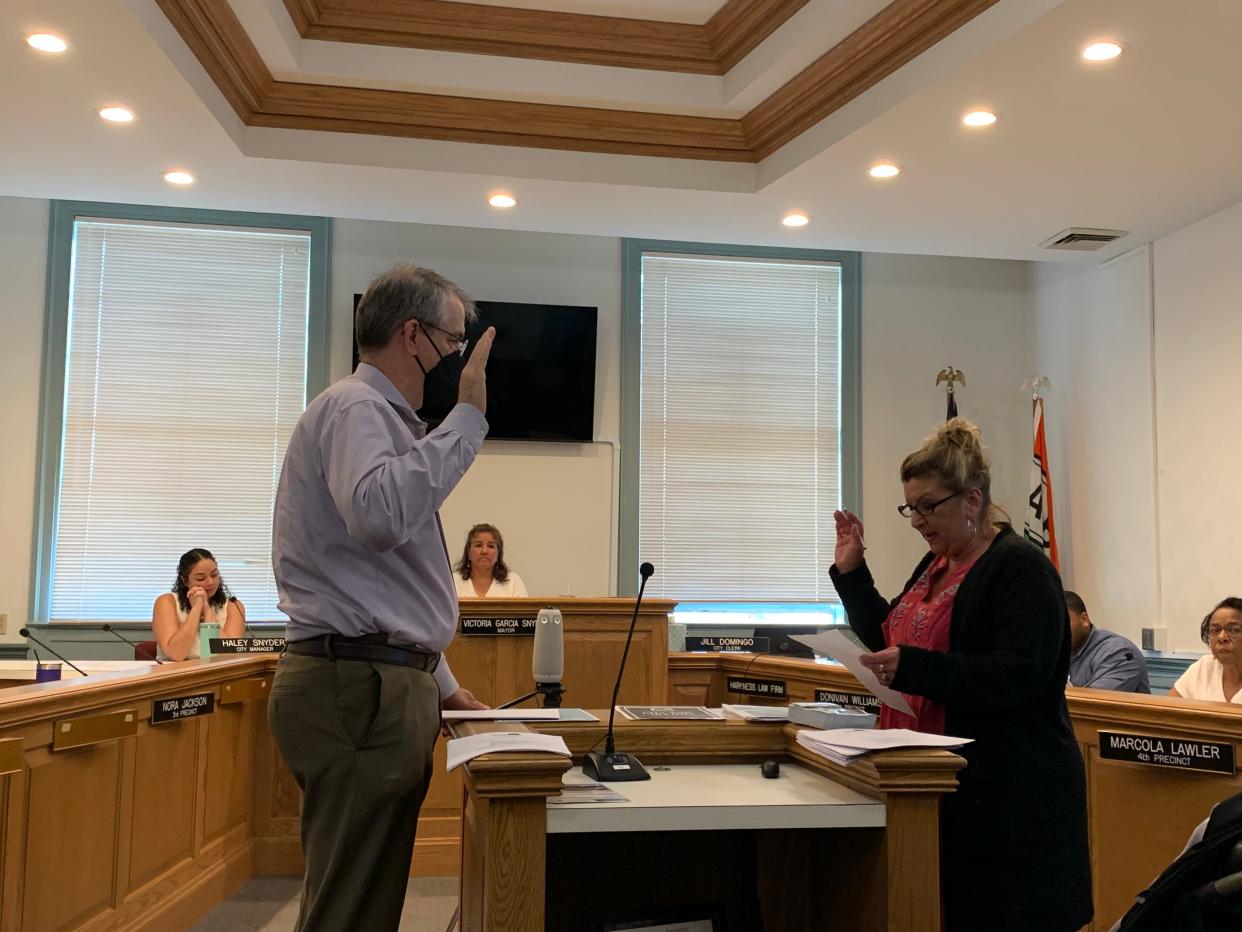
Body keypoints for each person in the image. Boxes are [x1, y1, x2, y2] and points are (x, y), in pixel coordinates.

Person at [268, 264, 495, 931]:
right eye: (453, 343)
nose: (456, 359)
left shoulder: (385, 421)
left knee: (362, 898)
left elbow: (388, 590)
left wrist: (445, 685)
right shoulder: (357, 407)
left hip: (375, 681)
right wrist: (468, 418)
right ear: (412, 335)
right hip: (355, 687)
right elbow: (379, 515)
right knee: (351, 906)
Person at [829, 418, 1092, 932]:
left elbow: (1021, 674)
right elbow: (891, 638)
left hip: (1006, 800)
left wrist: (915, 667)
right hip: (933, 783)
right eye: (911, 507)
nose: (917, 520)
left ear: (972, 500)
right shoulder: (935, 565)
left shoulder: (1020, 567)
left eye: (929, 505)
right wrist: (852, 573)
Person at [151, 548, 245, 661]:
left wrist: (207, 611)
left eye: (214, 575)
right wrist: (196, 609)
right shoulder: (166, 602)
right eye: (201, 579)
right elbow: (176, 654)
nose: (210, 582)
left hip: (218, 672)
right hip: (174, 673)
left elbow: (228, 654)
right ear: (185, 580)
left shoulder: (233, 605)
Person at [1066, 590, 1150, 692]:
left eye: (1062, 624)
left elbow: (1095, 704)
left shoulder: (1119, 653)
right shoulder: (1057, 654)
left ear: (1084, 620)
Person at [1170, 597, 1242, 703]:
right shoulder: (1203, 667)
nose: (1222, 637)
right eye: (1215, 630)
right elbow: (1168, 710)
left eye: (1234, 630)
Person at [455, 523, 528, 597]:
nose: (484, 551)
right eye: (478, 545)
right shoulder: (453, 581)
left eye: (490, 546)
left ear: (498, 554)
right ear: (468, 553)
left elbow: (525, 607)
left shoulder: (513, 581)